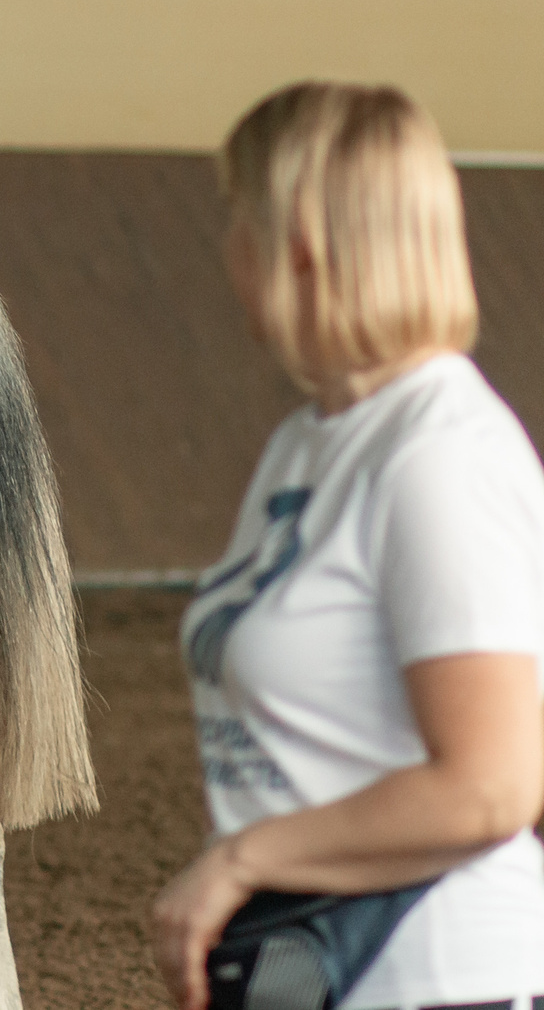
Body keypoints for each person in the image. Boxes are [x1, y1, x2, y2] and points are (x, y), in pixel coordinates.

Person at [152, 82, 544, 1010]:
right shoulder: (312, 440)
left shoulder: (440, 454)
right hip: (317, 973)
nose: (227, 249)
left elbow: (493, 784)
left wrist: (244, 859)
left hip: (444, 981)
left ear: (299, 243)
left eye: (237, 218)